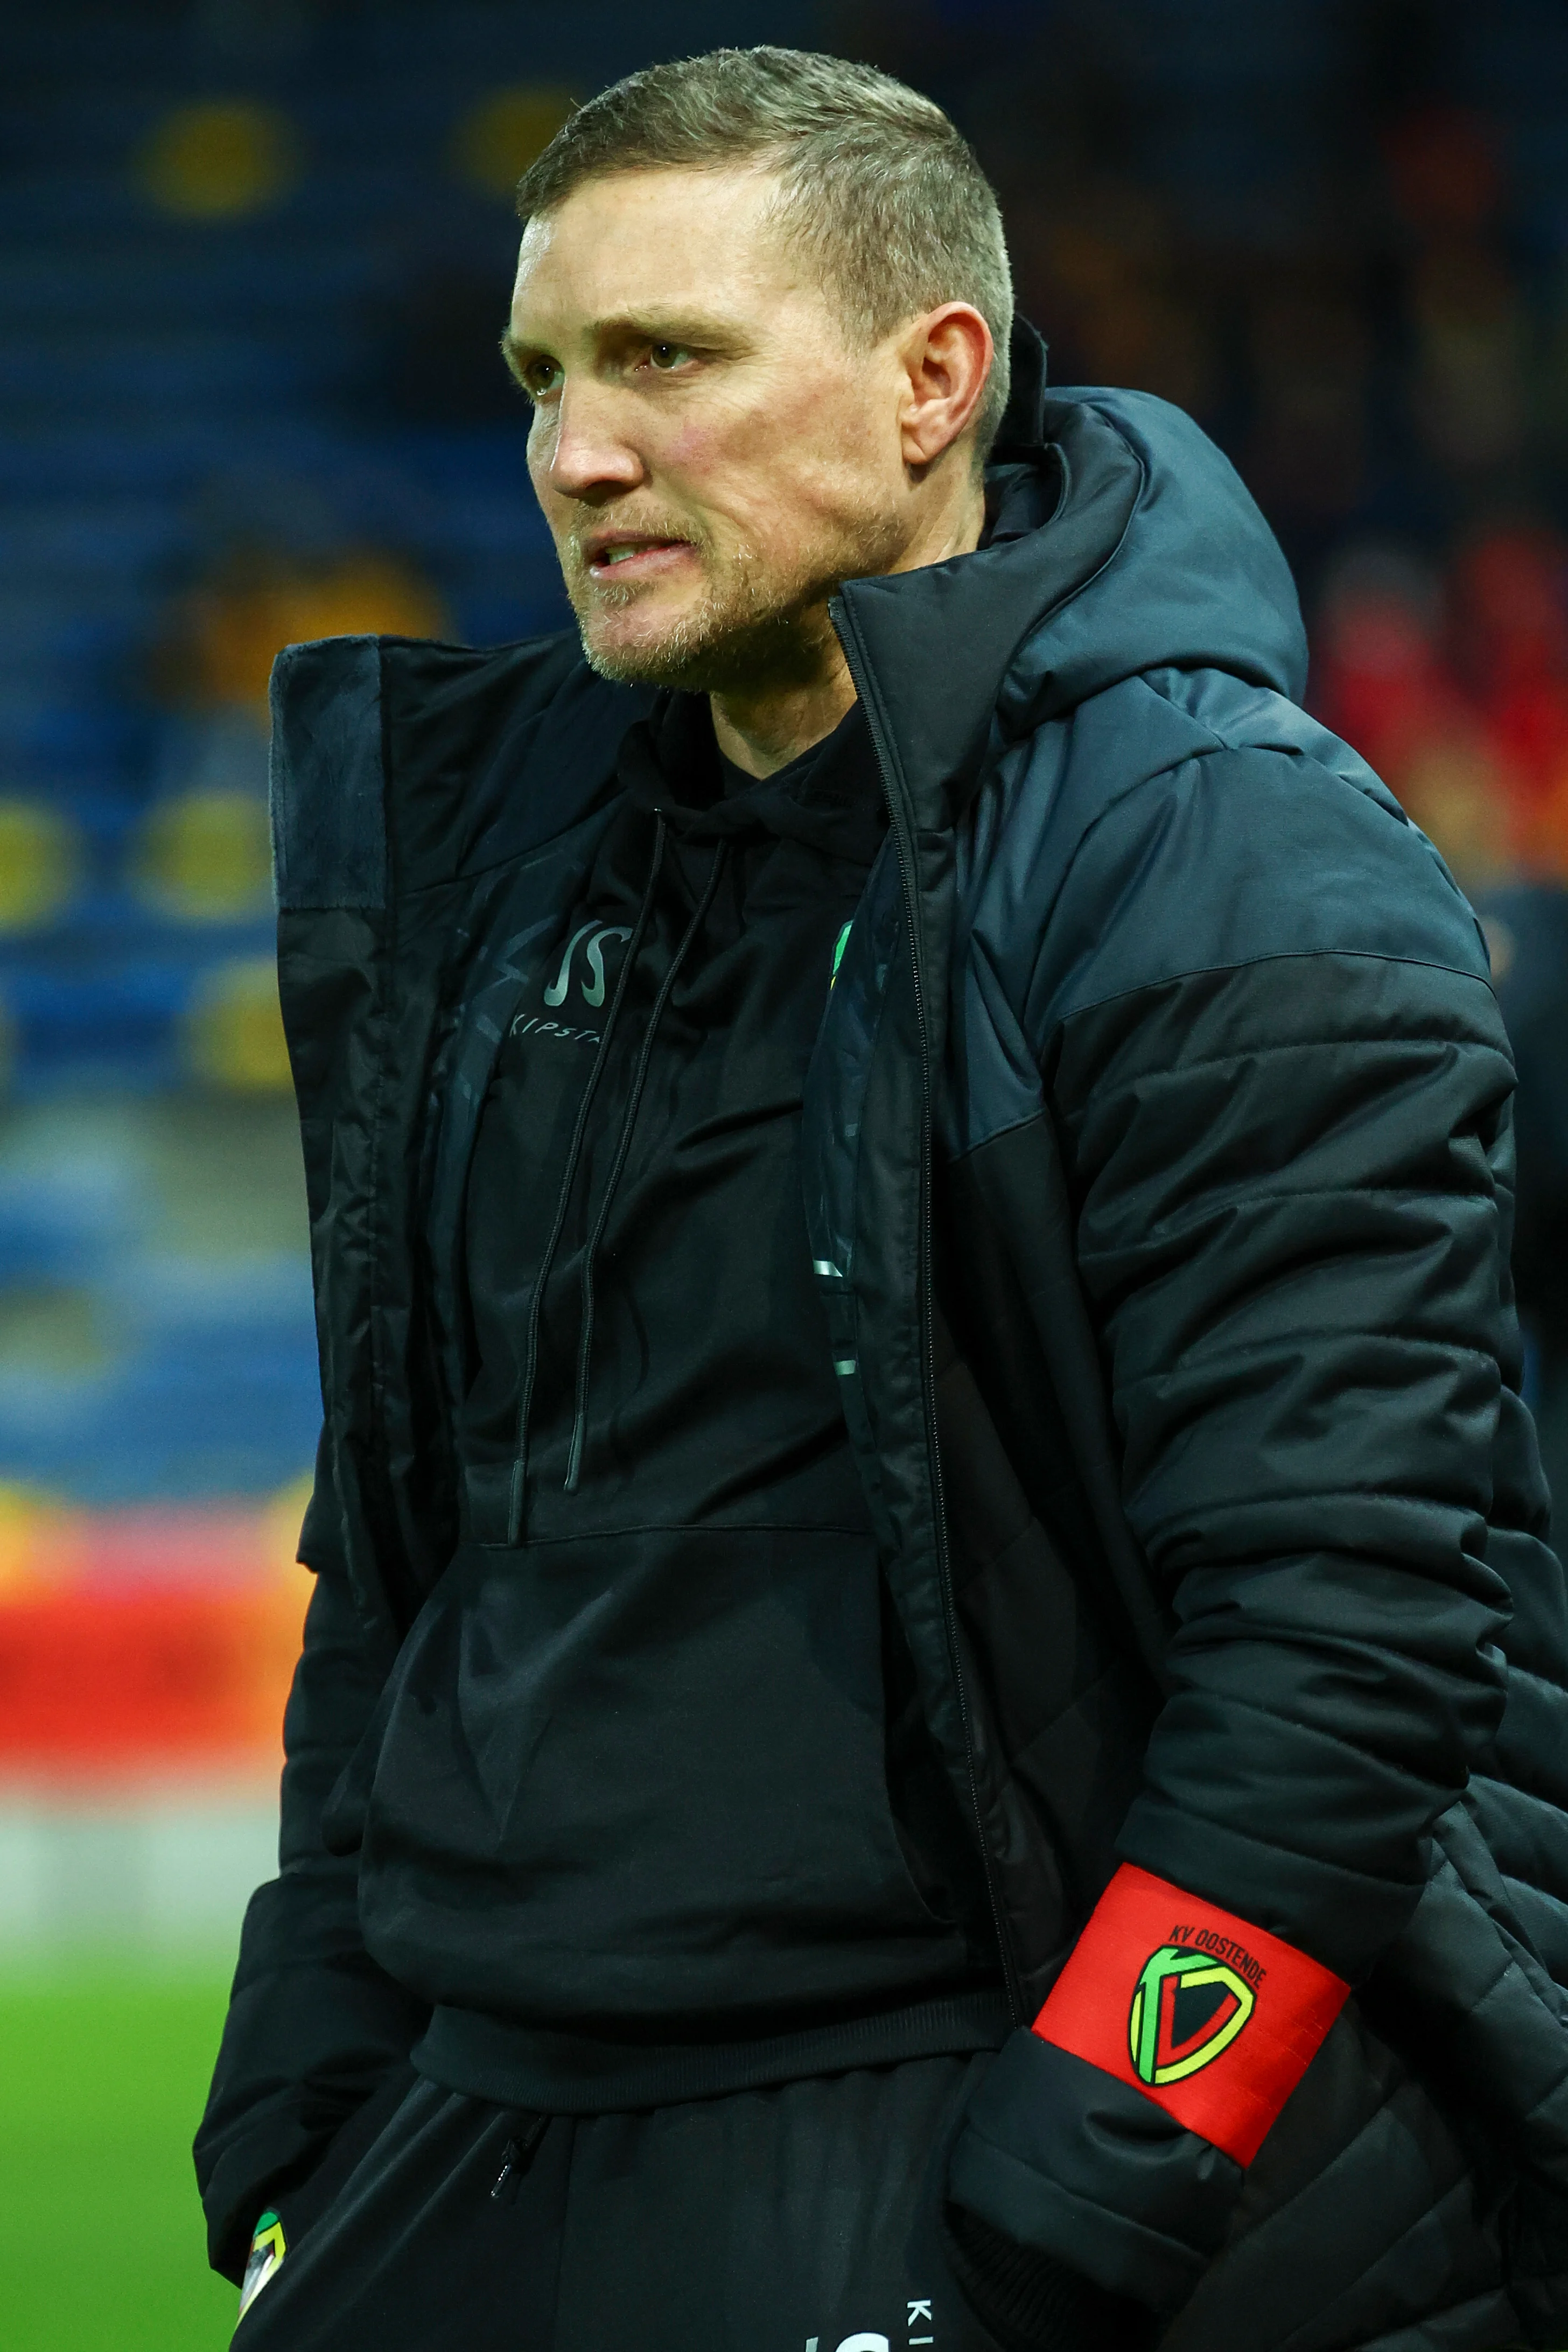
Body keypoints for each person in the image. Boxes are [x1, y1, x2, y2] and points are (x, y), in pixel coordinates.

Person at [196, 47, 1568, 2352]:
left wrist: (1059, 2211)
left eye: (665, 361)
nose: (574, 452)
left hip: (947, 2135)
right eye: (539, 374)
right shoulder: (507, 875)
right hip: (466, 2147)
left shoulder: (1218, 853)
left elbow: (1345, 1652)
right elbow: (407, 1559)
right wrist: (302, 2118)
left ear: (932, 377)